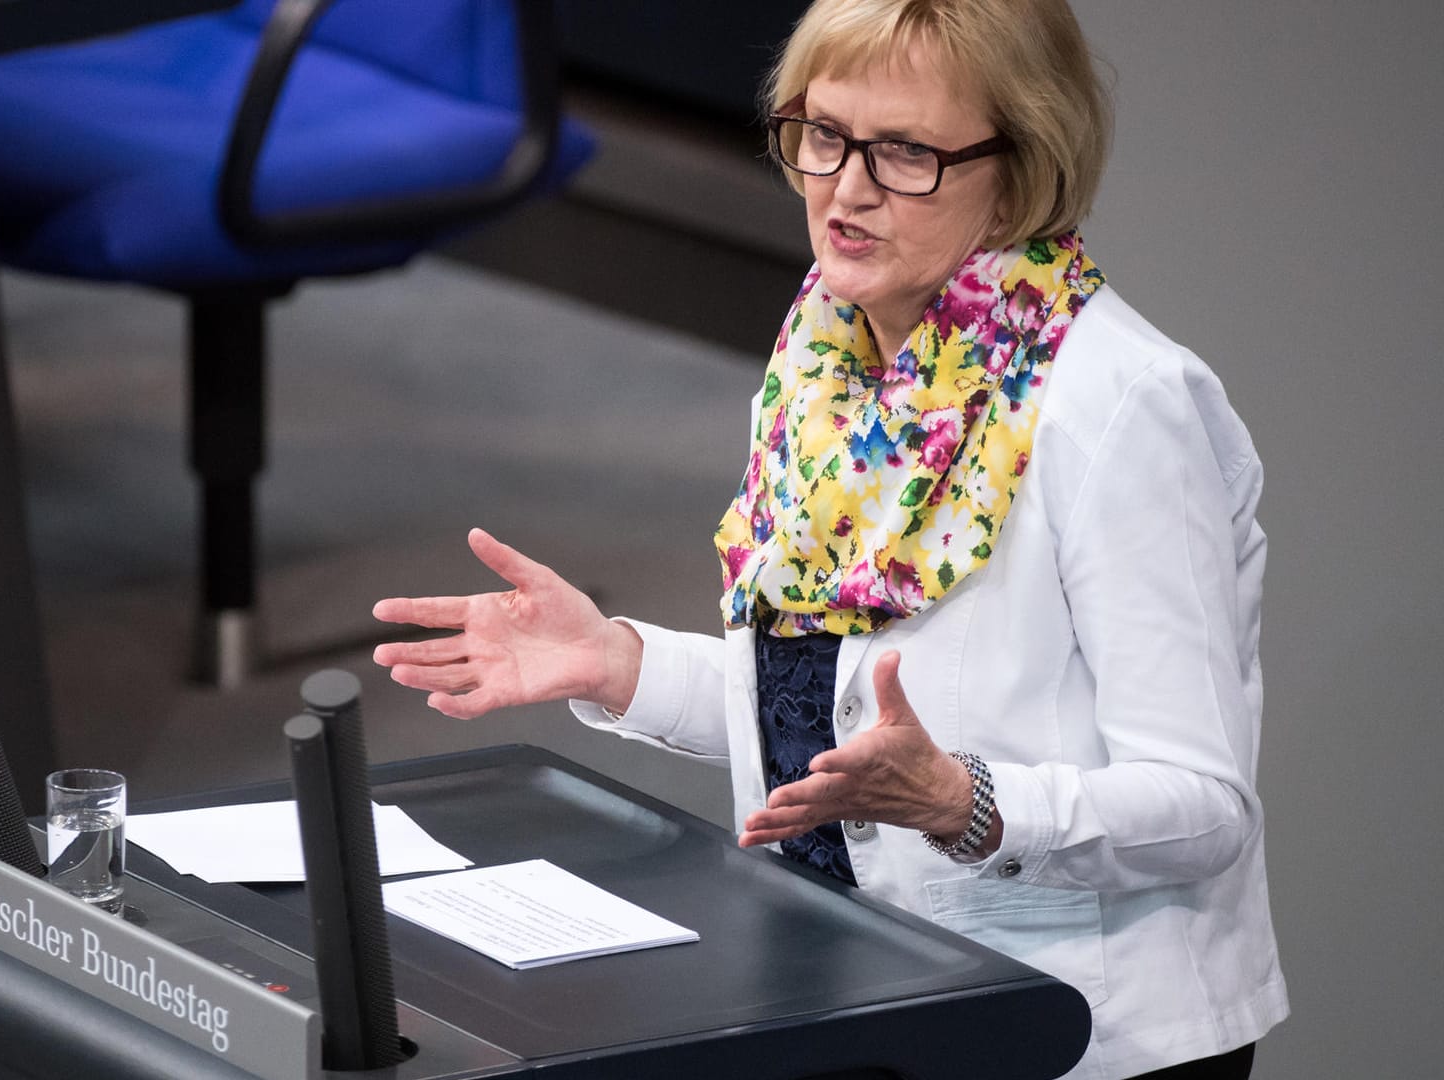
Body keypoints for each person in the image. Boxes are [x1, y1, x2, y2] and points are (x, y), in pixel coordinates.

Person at [371, 1, 1288, 1077]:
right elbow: (834, 718)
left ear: (1023, 164)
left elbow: (1203, 808)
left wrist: (966, 804)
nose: (845, 189)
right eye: (824, 134)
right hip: (855, 985)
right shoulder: (828, 355)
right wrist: (624, 666)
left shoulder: (1123, 407)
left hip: (1076, 1033)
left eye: (905, 153)